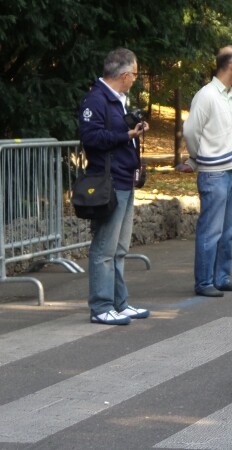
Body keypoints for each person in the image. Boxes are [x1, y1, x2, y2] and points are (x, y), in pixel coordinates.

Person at [78, 47, 150, 325]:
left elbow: (113, 133)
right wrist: (126, 134)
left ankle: (119, 303)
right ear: (124, 74)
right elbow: (91, 138)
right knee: (104, 248)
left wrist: (132, 131)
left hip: (123, 178)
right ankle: (101, 306)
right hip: (108, 180)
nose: (135, 79)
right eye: (135, 74)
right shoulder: (96, 99)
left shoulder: (117, 99)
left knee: (119, 248)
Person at [181, 45, 232, 297]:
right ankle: (204, 281)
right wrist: (198, 157)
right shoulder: (207, 95)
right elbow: (191, 131)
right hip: (214, 171)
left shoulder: (229, 95)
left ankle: (221, 277)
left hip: (231, 169)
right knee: (211, 229)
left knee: (227, 229)